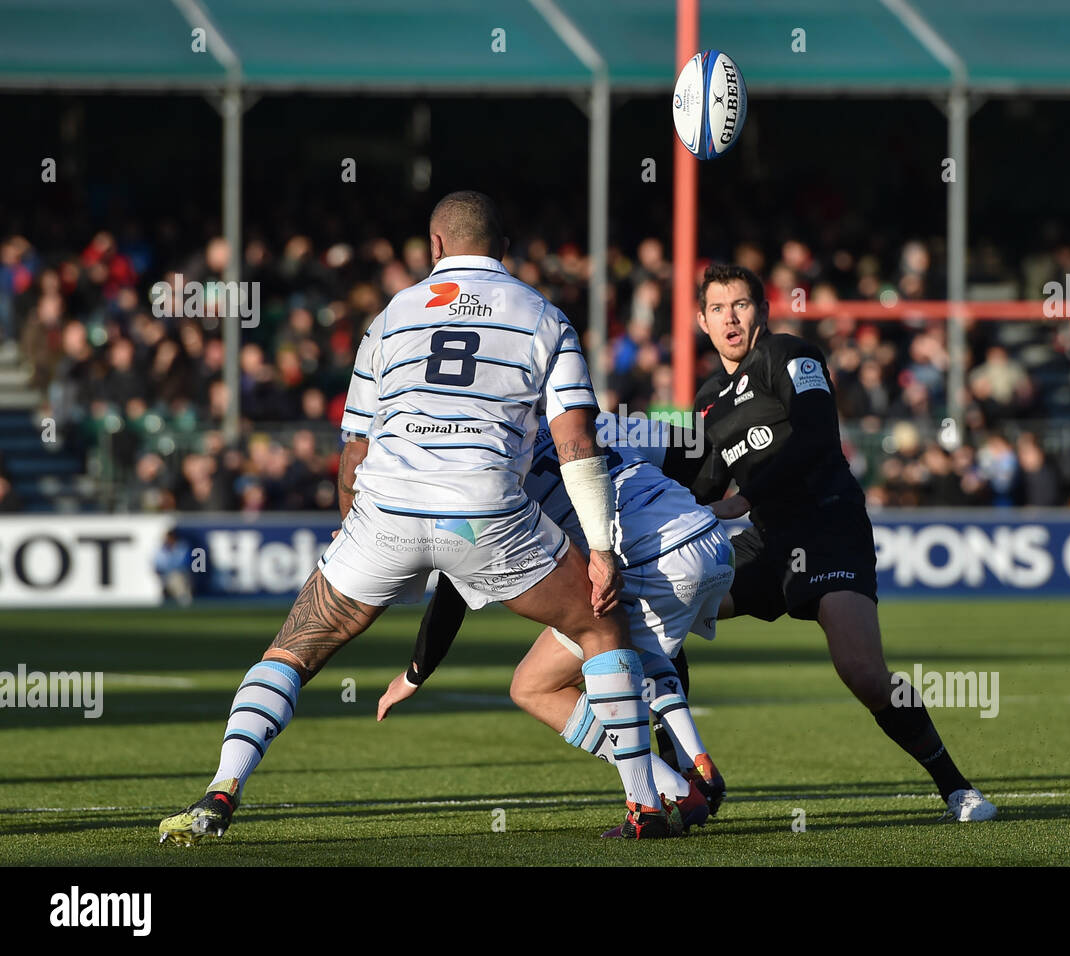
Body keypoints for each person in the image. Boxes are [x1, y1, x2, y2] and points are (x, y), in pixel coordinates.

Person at [159, 190, 676, 844]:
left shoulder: (390, 317)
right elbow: (575, 441)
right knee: (600, 623)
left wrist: (353, 529)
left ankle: (222, 789)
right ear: (504, 249)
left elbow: (355, 451)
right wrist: (600, 547)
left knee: (291, 649)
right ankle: (645, 805)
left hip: (388, 508)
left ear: (434, 246)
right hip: (483, 510)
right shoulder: (544, 316)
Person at [678, 263, 995, 823]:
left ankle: (956, 788)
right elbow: (700, 485)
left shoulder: (789, 354)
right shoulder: (707, 398)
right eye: (718, 309)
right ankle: (686, 779)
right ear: (702, 321)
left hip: (826, 526)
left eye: (741, 305)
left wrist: (743, 498)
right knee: (668, 603)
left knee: (863, 673)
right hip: (766, 542)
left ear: (762, 310)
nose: (731, 318)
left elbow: (816, 437)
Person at [366, 413, 733, 833]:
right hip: (710, 540)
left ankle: (672, 788)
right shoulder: (579, 417)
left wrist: (416, 671)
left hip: (652, 559)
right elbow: (694, 444)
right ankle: (691, 767)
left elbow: (452, 587)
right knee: (637, 644)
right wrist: (697, 505)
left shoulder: (481, 468)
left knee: (535, 686)